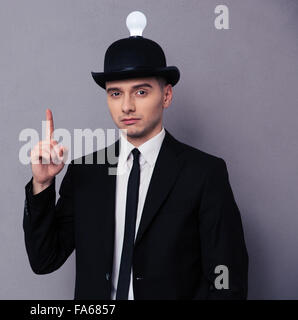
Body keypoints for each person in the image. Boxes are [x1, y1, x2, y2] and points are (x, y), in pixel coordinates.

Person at [23, 11, 248, 300]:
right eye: (115, 94)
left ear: (166, 96)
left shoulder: (204, 173)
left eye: (141, 92)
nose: (126, 106)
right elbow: (44, 260)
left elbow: (227, 279)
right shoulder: (85, 172)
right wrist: (41, 185)